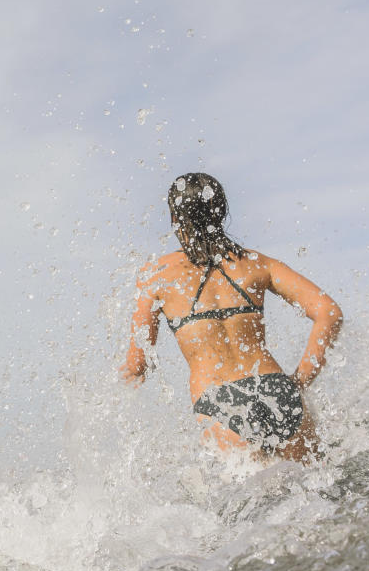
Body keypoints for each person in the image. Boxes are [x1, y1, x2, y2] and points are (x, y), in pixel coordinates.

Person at [121, 173, 343, 462]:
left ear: (173, 216)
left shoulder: (156, 276)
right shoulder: (257, 264)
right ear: (222, 211)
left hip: (219, 402)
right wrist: (299, 381)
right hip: (279, 392)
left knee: (252, 504)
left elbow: (139, 363)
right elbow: (329, 313)